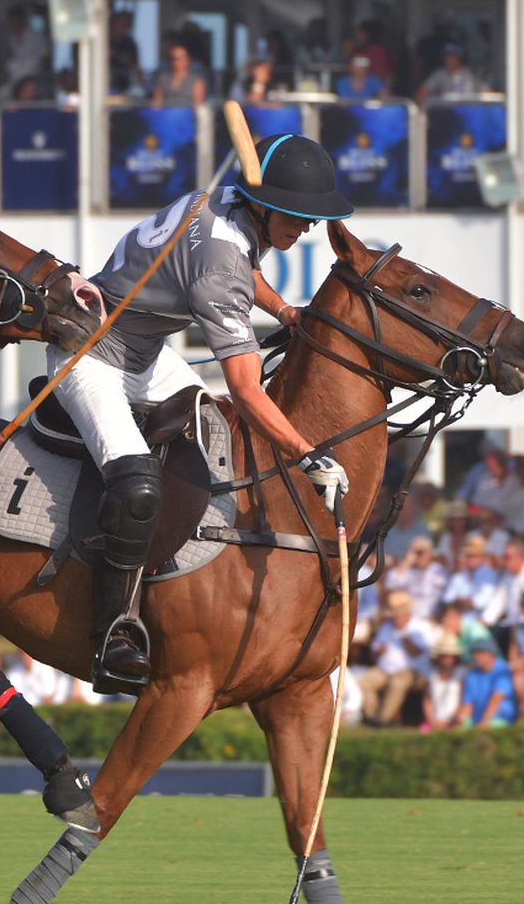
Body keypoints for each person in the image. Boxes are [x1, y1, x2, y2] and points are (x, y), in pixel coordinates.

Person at [51, 132, 352, 692]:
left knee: (219, 436)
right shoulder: (219, 264)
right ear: (263, 205)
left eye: (310, 217)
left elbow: (246, 269)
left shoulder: (220, 206)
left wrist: (284, 310)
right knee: (138, 485)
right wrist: (309, 455)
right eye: (296, 215)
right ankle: (113, 631)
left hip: (144, 355)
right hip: (90, 359)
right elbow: (246, 387)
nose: (306, 226)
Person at [361, 590, 430, 727]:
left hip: (414, 672)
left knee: (397, 682)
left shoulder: (420, 626)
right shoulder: (386, 627)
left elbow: (416, 652)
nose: (395, 618)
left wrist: (403, 634)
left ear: (407, 613)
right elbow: (373, 654)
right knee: (365, 682)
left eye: (398, 615)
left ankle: (383, 720)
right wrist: (380, 651)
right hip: (385, 670)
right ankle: (372, 716)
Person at [460, 637, 516, 728]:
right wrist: (460, 721)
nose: (475, 656)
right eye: (474, 653)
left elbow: (496, 699)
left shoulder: (502, 670)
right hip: (477, 721)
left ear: (489, 653)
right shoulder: (472, 674)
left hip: (500, 720)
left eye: (478, 653)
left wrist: (483, 724)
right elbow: (468, 704)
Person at [422, 635, 466, 731]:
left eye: (450, 656)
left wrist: (452, 719)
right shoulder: (432, 675)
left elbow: (464, 700)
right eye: (444, 656)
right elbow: (427, 701)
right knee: (423, 731)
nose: (447, 659)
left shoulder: (462, 673)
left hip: (455, 720)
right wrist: (432, 720)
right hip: (435, 720)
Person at [416, 43, 481, 105]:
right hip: (447, 111)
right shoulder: (439, 74)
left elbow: (486, 93)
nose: (449, 60)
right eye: (447, 56)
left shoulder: (469, 73)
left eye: (452, 56)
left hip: (468, 110)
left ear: (459, 58)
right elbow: (422, 94)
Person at [150, 41, 206, 107]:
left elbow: (198, 104)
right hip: (165, 113)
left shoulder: (196, 80)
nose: (178, 61)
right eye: (174, 58)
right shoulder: (163, 78)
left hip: (187, 114)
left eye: (181, 58)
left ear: (188, 59)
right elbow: (157, 100)